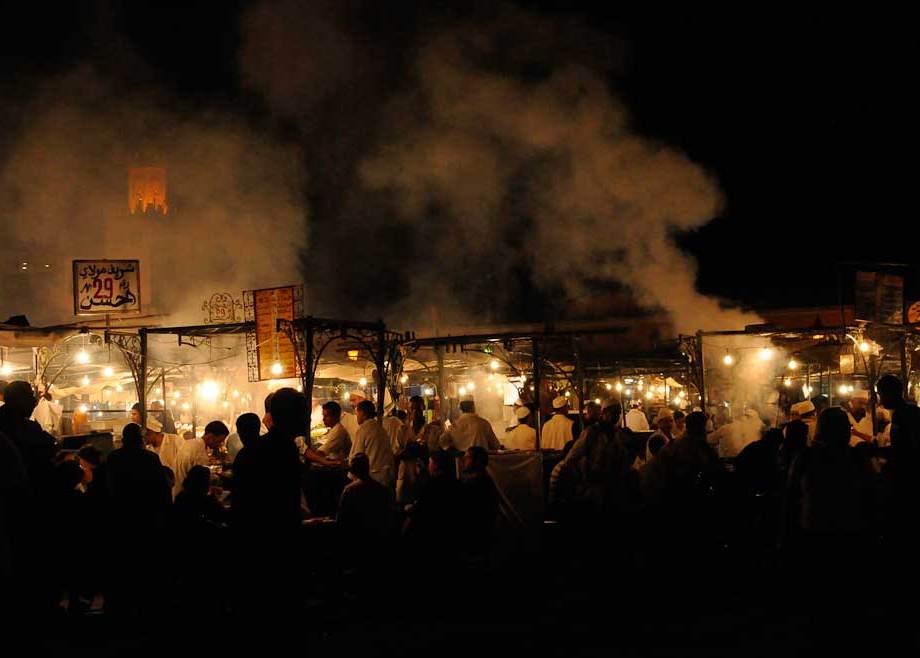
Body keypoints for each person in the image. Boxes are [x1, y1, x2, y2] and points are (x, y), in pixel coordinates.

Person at [336, 453, 394, 544]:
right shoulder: (382, 489)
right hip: (378, 537)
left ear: (352, 470)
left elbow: (341, 518)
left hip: (356, 537)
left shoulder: (349, 490)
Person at [461, 446, 500, 558]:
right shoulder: (484, 481)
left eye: (467, 458)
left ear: (478, 462)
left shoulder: (477, 484)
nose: (464, 461)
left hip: (476, 539)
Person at [349, 400, 396, 488]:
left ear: (362, 413)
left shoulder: (363, 429)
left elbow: (356, 456)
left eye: (357, 413)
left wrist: (351, 478)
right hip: (386, 477)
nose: (356, 416)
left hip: (373, 479)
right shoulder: (380, 428)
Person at [174, 421, 228, 496]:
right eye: (219, 441)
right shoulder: (199, 450)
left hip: (179, 494)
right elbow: (198, 484)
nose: (220, 445)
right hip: (187, 498)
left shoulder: (191, 443)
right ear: (210, 436)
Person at [143, 416, 183, 494]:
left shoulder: (175, 440)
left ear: (153, 432)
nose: (145, 438)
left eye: (147, 435)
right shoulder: (147, 448)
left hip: (177, 487)